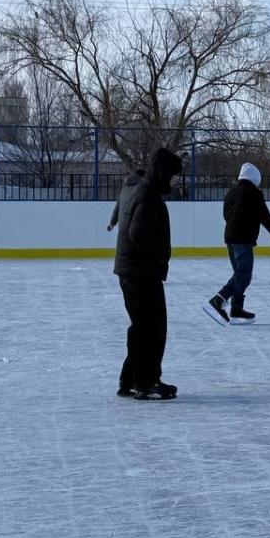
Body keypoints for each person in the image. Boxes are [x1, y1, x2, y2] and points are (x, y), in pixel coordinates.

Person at [113, 148, 184, 400]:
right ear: (164, 173)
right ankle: (146, 381)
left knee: (142, 327)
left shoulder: (143, 191)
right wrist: (158, 255)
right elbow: (137, 233)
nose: (176, 181)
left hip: (133, 270)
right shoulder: (148, 196)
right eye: (174, 176)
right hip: (140, 272)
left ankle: (130, 379)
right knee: (152, 328)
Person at [204, 163, 270, 325]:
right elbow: (265, 217)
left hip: (230, 236)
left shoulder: (232, 192)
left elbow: (226, 213)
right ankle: (219, 299)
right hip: (243, 238)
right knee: (243, 274)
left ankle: (236, 309)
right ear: (255, 179)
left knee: (239, 273)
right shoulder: (254, 193)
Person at [107, 168, 146, 232]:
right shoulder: (141, 190)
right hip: (135, 228)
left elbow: (116, 209)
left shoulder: (124, 189)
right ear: (142, 178)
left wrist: (112, 223)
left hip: (122, 226)